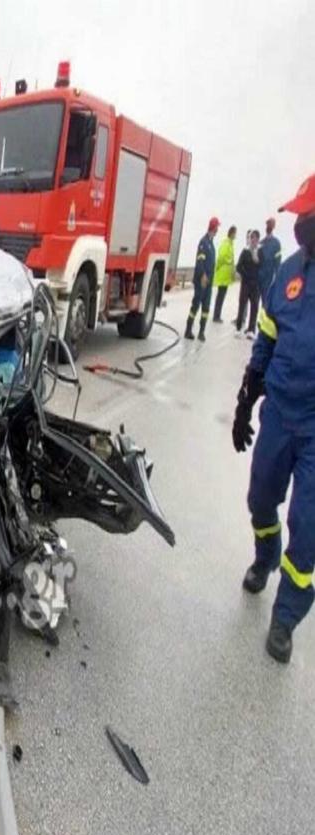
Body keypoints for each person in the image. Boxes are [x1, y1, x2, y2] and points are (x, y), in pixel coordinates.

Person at [232, 173, 315, 663]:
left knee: (308, 526)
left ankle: (286, 617)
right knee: (261, 496)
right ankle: (265, 557)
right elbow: (266, 332)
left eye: (308, 215)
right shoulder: (288, 270)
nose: (301, 223)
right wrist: (248, 394)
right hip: (279, 412)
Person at [185, 217, 219, 341]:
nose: (217, 231)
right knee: (196, 304)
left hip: (209, 282)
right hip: (201, 280)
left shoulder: (211, 244)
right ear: (213, 228)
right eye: (216, 228)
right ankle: (188, 329)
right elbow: (200, 261)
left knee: (206, 307)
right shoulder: (203, 243)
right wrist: (203, 275)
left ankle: (201, 332)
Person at [234, 229, 261, 335]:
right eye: (251, 237)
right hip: (245, 283)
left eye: (255, 238)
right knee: (242, 305)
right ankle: (238, 328)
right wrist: (245, 275)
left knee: (254, 307)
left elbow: (262, 267)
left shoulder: (260, 252)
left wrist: (258, 261)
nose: (253, 240)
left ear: (258, 239)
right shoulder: (245, 251)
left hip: (255, 285)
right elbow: (239, 266)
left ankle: (251, 330)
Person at [213, 225, 237, 322]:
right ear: (231, 233)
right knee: (220, 296)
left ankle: (217, 315)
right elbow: (221, 256)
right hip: (223, 275)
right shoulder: (226, 243)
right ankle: (216, 316)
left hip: (226, 276)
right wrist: (229, 261)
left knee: (221, 296)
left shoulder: (230, 244)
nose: (236, 235)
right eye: (235, 233)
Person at [258, 216, 282, 303]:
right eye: (268, 224)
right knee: (255, 302)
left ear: (273, 227)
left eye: (271, 224)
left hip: (269, 276)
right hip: (259, 276)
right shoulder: (261, 243)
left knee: (266, 301)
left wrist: (277, 277)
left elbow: (278, 261)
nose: (269, 226)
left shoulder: (276, 243)